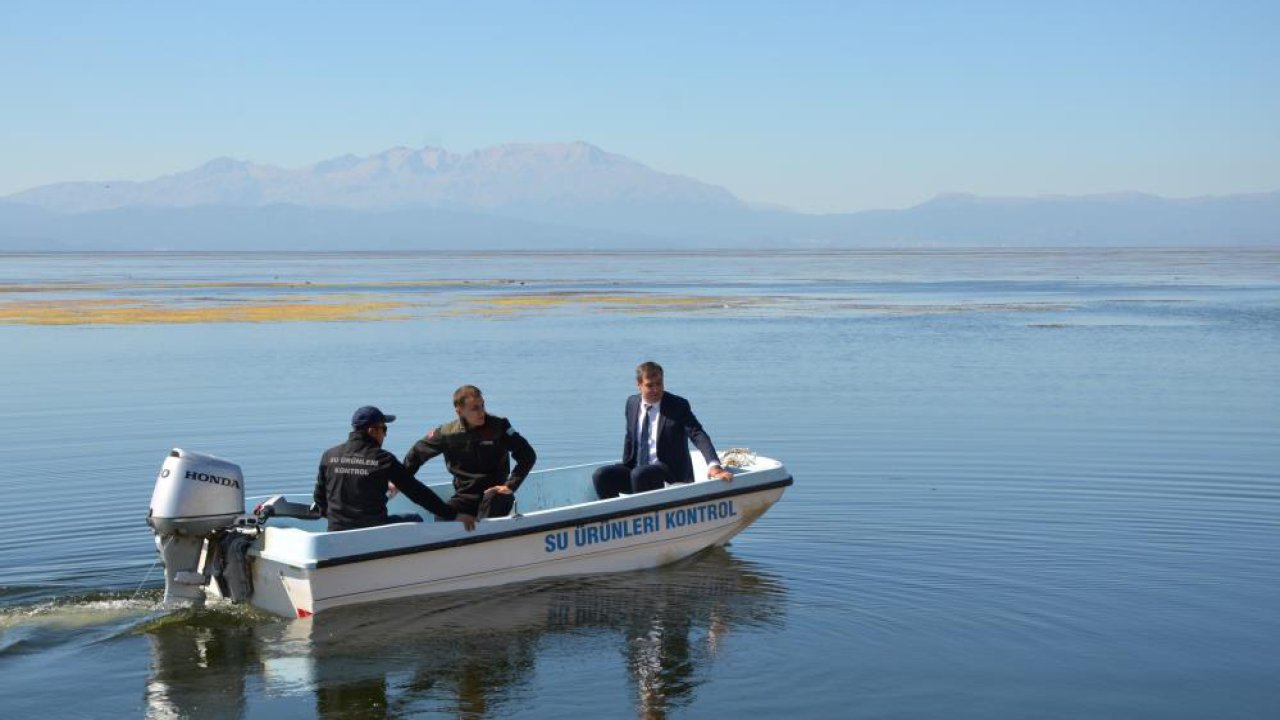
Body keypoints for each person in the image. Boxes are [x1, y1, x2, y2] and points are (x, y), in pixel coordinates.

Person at [314, 405, 476, 532]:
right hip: (374, 533)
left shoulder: (329, 456)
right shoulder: (383, 459)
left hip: (336, 532)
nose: (385, 435)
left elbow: (320, 498)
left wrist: (335, 518)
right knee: (415, 519)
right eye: (384, 429)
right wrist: (453, 514)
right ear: (372, 431)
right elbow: (418, 493)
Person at [593, 361, 734, 499]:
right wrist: (626, 463)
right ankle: (616, 518)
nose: (656, 389)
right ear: (639, 385)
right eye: (650, 385)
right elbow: (630, 437)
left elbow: (697, 434)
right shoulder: (632, 403)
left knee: (640, 474)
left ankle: (644, 515)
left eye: (659, 384)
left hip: (667, 471)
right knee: (601, 475)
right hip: (637, 469)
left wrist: (714, 465)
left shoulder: (677, 405)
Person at [403, 385, 537, 520]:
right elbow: (418, 453)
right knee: (442, 517)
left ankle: (483, 536)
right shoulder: (447, 433)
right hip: (465, 496)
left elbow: (527, 454)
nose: (481, 412)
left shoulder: (499, 426)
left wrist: (510, 485)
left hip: (496, 494)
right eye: (475, 408)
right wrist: (399, 479)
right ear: (459, 411)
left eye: (482, 406)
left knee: (492, 502)